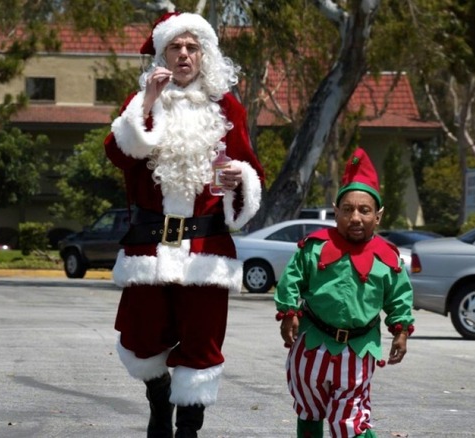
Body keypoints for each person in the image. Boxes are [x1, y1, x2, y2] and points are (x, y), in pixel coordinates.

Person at [103, 11, 263, 438]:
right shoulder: (139, 103)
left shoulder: (228, 107)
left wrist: (239, 180)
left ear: (205, 54)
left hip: (206, 247)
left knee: (202, 341)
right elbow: (118, 155)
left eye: (192, 47)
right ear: (162, 54)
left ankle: (188, 428)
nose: (184, 54)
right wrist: (149, 103)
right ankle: (159, 400)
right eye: (176, 47)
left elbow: (251, 170)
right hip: (149, 248)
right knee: (140, 338)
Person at [274, 148, 415, 438]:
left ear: (378, 216)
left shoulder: (388, 258)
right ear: (335, 211)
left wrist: (400, 331)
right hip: (312, 344)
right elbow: (291, 280)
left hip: (359, 350)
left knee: (350, 421)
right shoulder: (313, 247)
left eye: (364, 210)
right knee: (309, 409)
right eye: (347, 209)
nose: (355, 217)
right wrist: (288, 313)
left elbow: (400, 298)